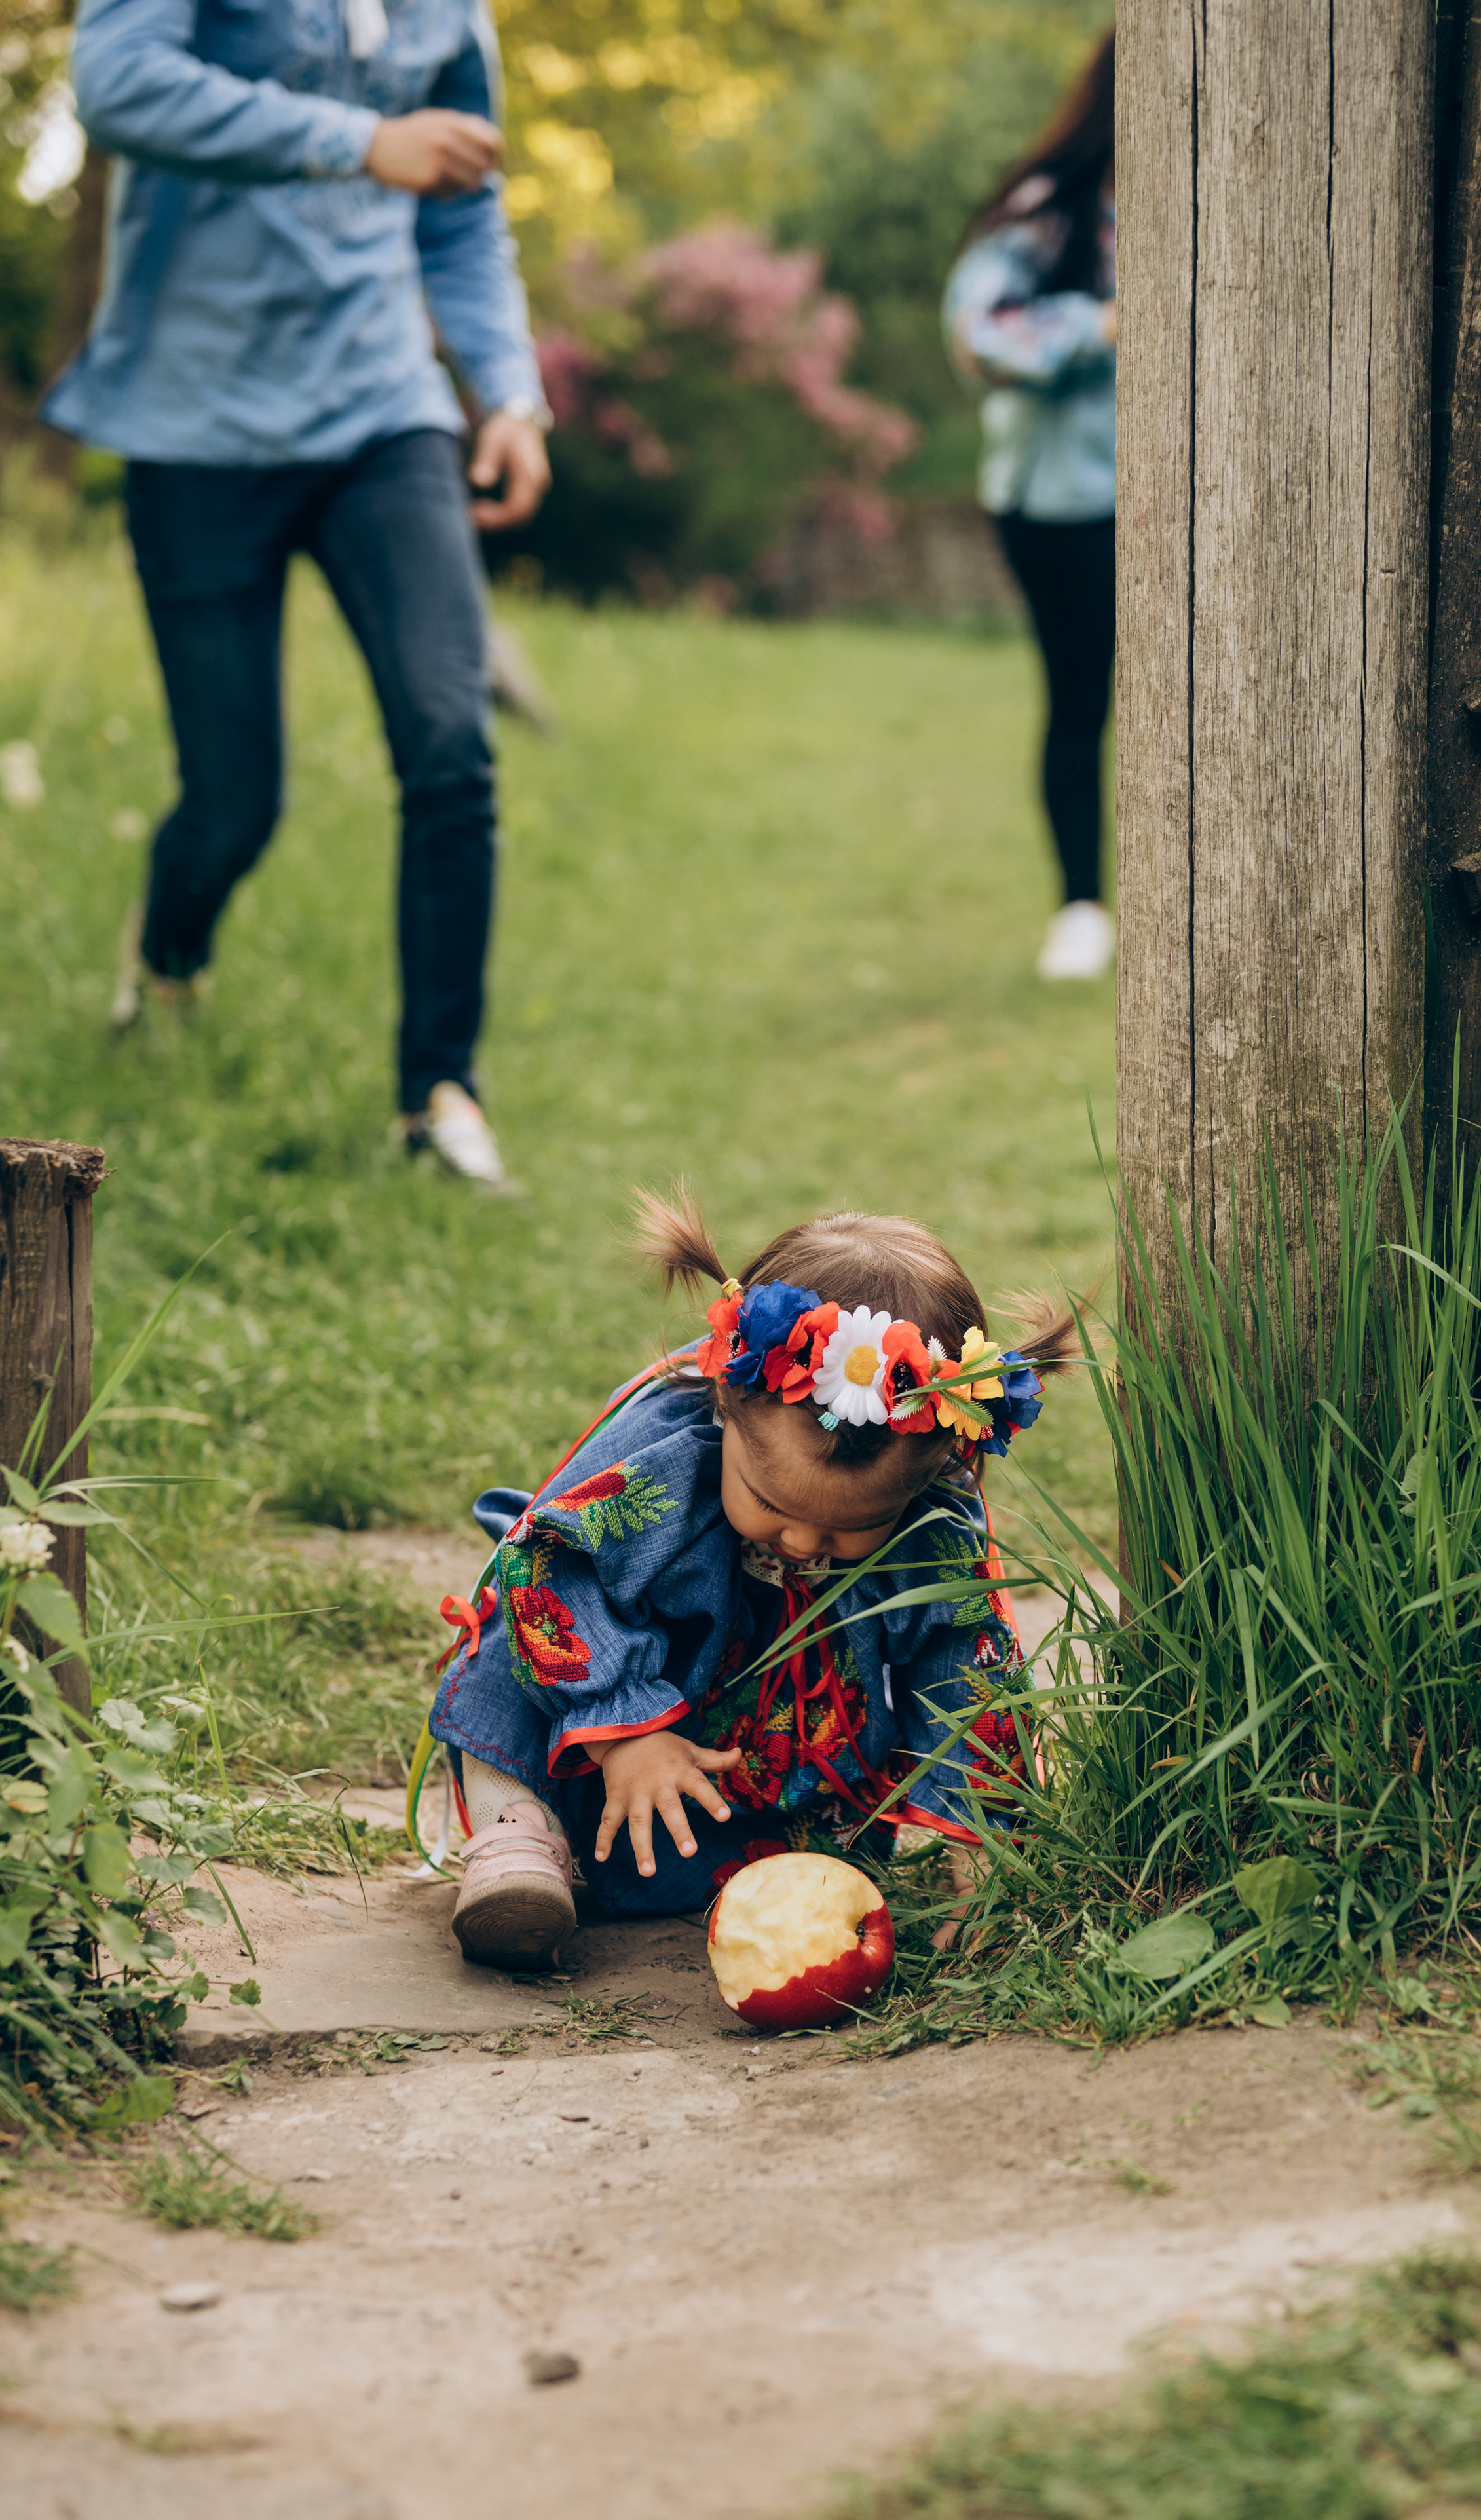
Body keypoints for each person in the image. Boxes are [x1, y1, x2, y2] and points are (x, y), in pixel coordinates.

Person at [45, 0, 553, 1190]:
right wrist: (358, 141)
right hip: (194, 424)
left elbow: (464, 213)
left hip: (385, 416)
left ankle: (439, 1095)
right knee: (233, 803)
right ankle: (170, 951)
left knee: (450, 743)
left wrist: (511, 393)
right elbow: (117, 84)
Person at [427, 1189, 1078, 1970]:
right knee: (513, 1620)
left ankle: (751, 1874)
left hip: (735, 1775)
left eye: (848, 1529)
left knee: (774, 1845)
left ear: (931, 1473)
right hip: (600, 1720)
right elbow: (549, 1569)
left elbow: (964, 1669)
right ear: (726, 1406)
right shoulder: (665, 1455)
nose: (803, 1540)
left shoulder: (930, 1522)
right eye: (770, 1503)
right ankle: (520, 1833)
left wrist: (981, 1849)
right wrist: (627, 1732)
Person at [943, 33, 1117, 985]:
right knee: (1081, 696)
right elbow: (978, 336)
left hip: (1191, 502)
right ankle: (1082, 905)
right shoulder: (1049, 213)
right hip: (1065, 504)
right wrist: (1103, 325)